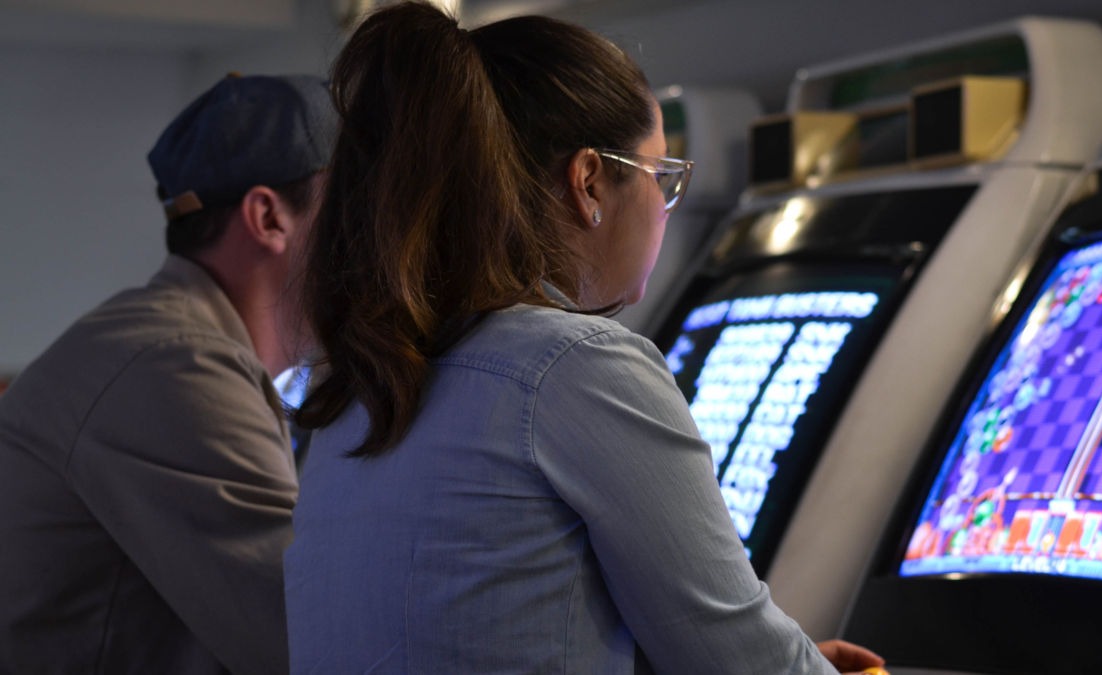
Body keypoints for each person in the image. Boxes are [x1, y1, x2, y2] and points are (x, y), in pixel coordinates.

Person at [284, 3, 885, 673]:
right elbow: (745, 662)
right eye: (663, 178)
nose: (664, 208)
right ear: (589, 181)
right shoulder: (577, 366)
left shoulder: (363, 379)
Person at [0, 73, 336, 674]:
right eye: (356, 206)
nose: (386, 239)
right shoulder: (175, 363)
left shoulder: (176, 345)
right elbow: (315, 641)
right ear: (267, 217)